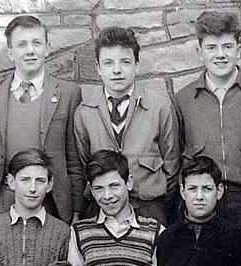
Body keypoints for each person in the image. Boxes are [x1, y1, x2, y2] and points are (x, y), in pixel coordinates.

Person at [175, 11, 241, 236]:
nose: (220, 55)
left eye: (227, 46)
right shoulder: (183, 99)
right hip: (203, 204)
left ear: (239, 50)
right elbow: (177, 158)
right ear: (199, 52)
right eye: (211, 48)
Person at [0, 14, 83, 222]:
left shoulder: (68, 93)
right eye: (22, 44)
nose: (30, 50)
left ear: (47, 47)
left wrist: (76, 210)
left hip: (51, 203)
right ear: (10, 52)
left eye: (37, 43)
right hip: (1, 201)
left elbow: (73, 160)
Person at [73, 26, 180, 225]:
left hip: (149, 208)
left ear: (137, 64)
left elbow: (172, 166)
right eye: (108, 63)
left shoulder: (159, 107)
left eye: (125, 62)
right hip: (104, 210)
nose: (117, 70)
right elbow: (82, 164)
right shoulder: (85, 112)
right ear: (98, 68)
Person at [69, 150, 162, 266]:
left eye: (114, 186)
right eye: (99, 188)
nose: (107, 195)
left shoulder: (154, 231)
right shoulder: (79, 232)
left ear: (128, 183)